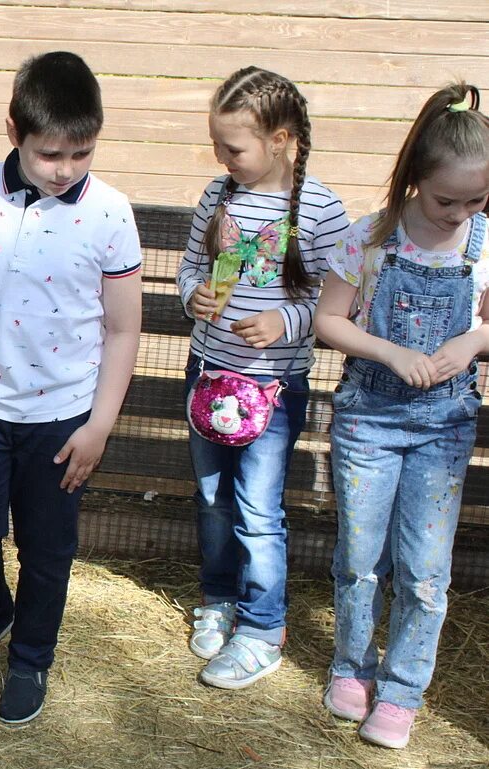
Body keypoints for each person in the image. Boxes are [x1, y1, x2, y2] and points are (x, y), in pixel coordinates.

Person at [0, 51, 143, 724]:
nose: (64, 169)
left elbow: (121, 330)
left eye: (80, 153)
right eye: (50, 154)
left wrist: (98, 425)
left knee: (47, 550)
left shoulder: (110, 214)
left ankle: (30, 656)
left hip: (62, 419)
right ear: (13, 132)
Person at [315, 83, 489, 749]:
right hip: (368, 421)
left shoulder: (480, 244)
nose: (460, 213)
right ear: (415, 178)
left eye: (476, 200)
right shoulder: (371, 237)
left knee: (424, 567)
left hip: (443, 427)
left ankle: (401, 690)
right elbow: (330, 320)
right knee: (360, 555)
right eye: (447, 199)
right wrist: (388, 352)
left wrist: (470, 343)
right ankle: (350, 667)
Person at [177, 67, 348, 689]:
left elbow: (339, 303)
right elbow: (191, 269)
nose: (223, 159)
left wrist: (285, 320)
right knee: (214, 497)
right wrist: (193, 295)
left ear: (280, 140)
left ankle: (262, 627)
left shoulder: (322, 210)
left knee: (257, 507)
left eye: (235, 148)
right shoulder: (217, 198)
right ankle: (219, 595)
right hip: (209, 375)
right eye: (219, 146)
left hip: (271, 389)